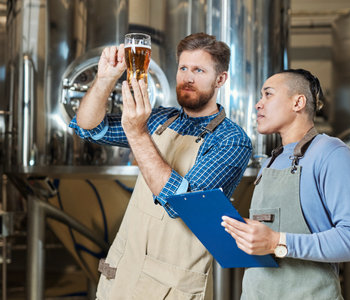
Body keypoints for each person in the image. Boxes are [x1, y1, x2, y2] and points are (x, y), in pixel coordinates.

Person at [69, 33, 252, 300]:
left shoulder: (231, 140)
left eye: (199, 70)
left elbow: (181, 202)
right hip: (123, 273)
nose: (188, 77)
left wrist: (137, 133)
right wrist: (105, 79)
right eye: (183, 68)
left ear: (220, 79)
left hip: (170, 286)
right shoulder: (160, 118)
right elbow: (89, 128)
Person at [221, 69, 350, 299]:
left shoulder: (332, 154)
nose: (258, 104)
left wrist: (277, 242)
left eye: (268, 94)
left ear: (298, 102)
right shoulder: (269, 162)